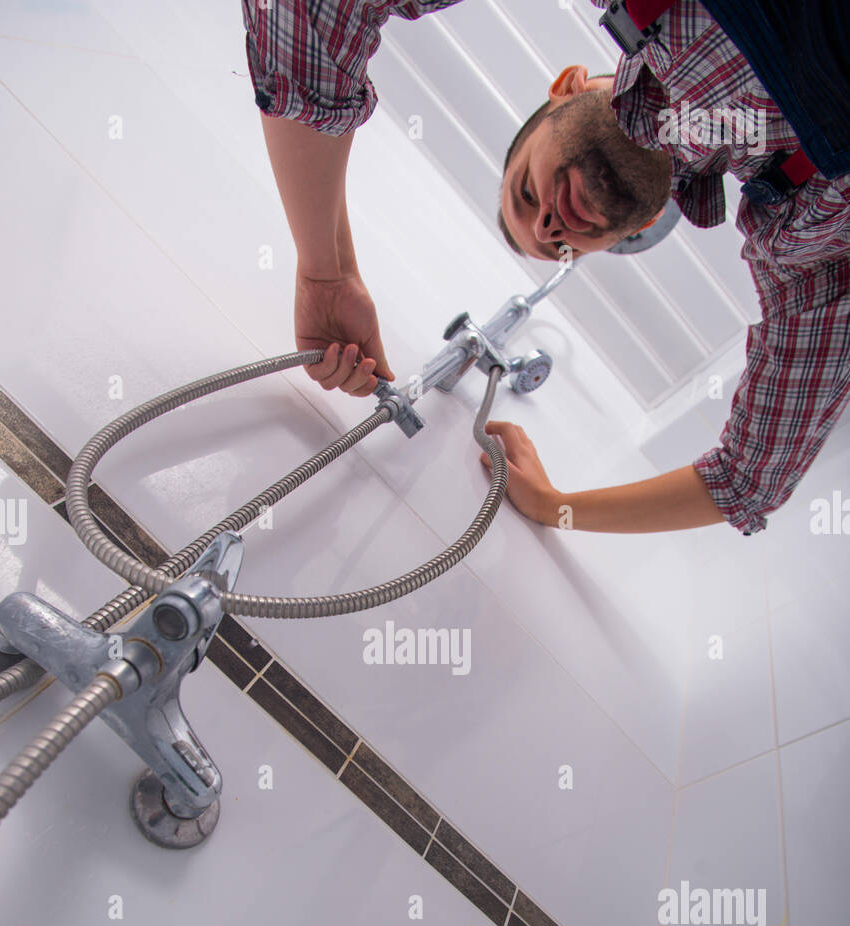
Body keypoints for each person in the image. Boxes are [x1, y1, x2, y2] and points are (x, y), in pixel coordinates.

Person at [241, 0, 850, 537]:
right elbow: (748, 481)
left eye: (526, 194)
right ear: (638, 225)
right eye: (562, 246)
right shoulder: (811, 245)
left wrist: (325, 273)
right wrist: (552, 506)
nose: (550, 228)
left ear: (567, 86)